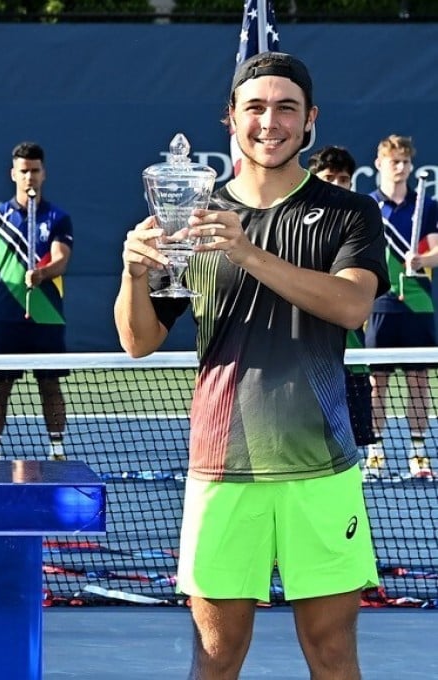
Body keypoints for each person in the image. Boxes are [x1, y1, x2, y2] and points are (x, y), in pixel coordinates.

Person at [115, 53, 387, 679]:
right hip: (222, 469)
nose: (271, 122)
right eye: (255, 108)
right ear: (230, 120)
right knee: (214, 658)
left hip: (321, 468)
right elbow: (138, 340)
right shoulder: (190, 219)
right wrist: (134, 273)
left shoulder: (348, 211)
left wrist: (246, 248)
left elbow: (350, 306)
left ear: (310, 119)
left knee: (333, 652)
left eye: (286, 107)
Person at [0, 141, 73, 461]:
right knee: (0, 385)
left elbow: (61, 259)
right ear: (13, 174)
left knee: (50, 384)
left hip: (46, 316)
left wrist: (42, 275)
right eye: (23, 171)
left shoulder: (59, 217)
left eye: (35, 170)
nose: (29, 177)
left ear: (44, 173)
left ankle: (56, 448)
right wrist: (11, 293)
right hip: (5, 318)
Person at [362, 134, 438, 480]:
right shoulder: (368, 207)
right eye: (394, 161)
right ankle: (375, 453)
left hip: (418, 305)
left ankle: (419, 453)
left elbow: (437, 251)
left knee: (419, 382)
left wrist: (422, 257)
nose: (401, 167)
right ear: (380, 164)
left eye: (406, 162)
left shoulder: (427, 206)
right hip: (380, 306)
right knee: (378, 384)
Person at [307, 146, 377, 453]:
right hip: (305, 346)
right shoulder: (297, 221)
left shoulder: (360, 223)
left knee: (354, 432)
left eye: (343, 179)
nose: (336, 184)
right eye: (329, 177)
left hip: (350, 343)